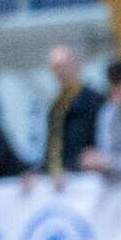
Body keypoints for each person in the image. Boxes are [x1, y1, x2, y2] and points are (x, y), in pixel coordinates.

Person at [39, 44, 104, 179]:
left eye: (63, 66)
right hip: (61, 178)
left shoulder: (95, 101)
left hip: (86, 177)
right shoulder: (55, 107)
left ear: (76, 65)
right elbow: (52, 149)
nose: (60, 72)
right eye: (55, 68)